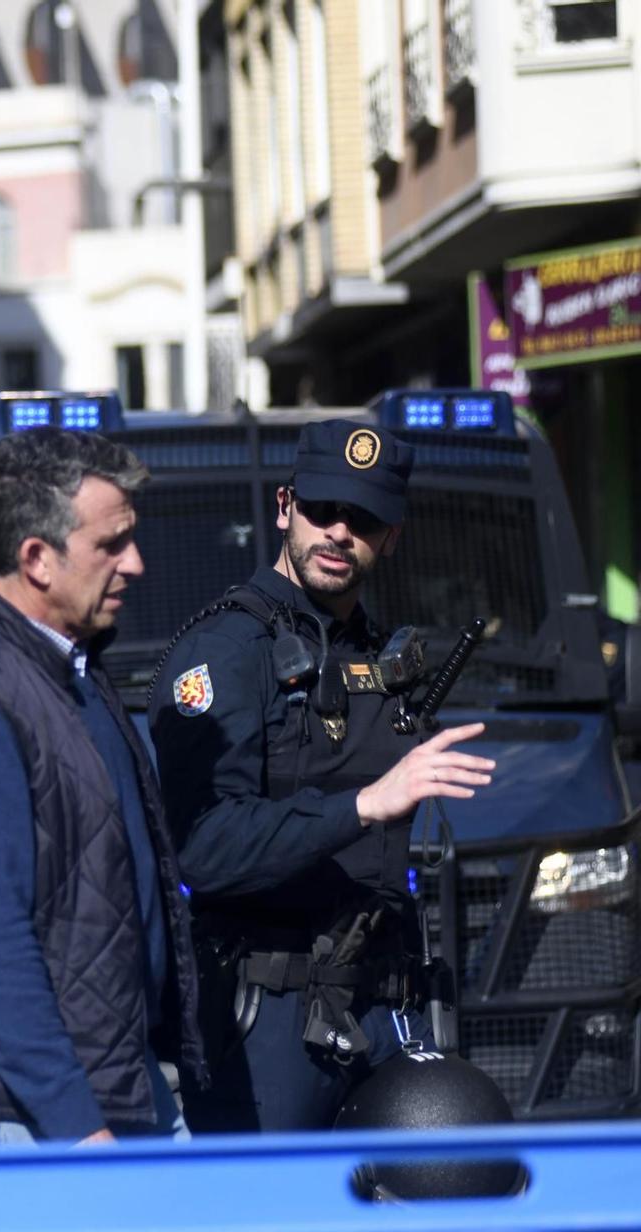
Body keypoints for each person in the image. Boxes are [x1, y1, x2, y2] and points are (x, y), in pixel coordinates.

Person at [150, 419, 496, 1132]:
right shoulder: (225, 651)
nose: (339, 531)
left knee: (426, 1218)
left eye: (363, 519)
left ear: (390, 537)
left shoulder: (381, 656)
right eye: (322, 509)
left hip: (383, 1005)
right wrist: (365, 804)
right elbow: (204, 845)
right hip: (268, 1018)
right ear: (285, 507)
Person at [0, 430, 206, 1146]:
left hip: (113, 1073)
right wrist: (74, 1122)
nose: (136, 564)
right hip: (29, 1108)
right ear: (36, 558)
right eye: (111, 545)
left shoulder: (69, 665)